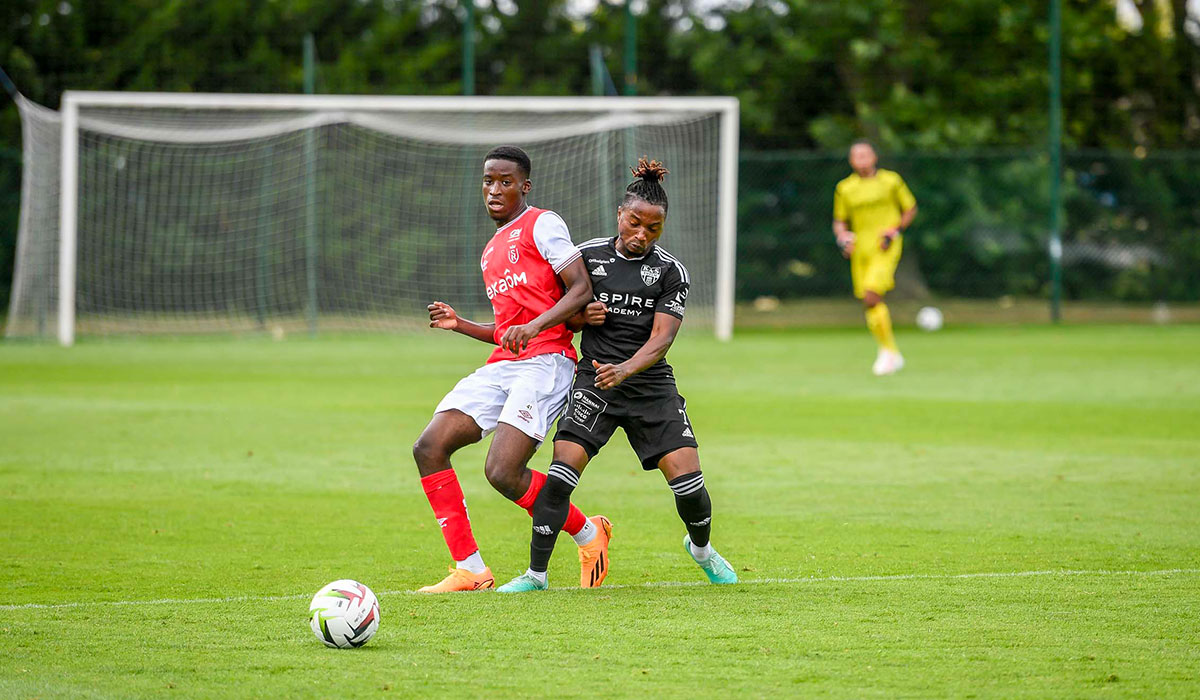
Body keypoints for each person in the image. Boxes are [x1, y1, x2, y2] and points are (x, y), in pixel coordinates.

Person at [496, 158, 737, 593]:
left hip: (649, 386)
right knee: (559, 478)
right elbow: (563, 316)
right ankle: (535, 576)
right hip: (595, 383)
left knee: (689, 485)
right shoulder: (587, 257)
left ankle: (701, 550)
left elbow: (662, 339)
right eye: (634, 223)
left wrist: (625, 369)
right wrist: (580, 318)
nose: (642, 234)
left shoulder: (671, 272)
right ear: (620, 214)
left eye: (653, 228)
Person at [413, 145, 612, 593]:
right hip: (505, 364)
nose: (495, 190)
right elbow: (507, 332)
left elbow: (580, 289)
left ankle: (587, 532)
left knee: (502, 472)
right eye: (488, 181)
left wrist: (536, 325)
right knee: (429, 447)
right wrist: (461, 324)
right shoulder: (490, 252)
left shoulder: (543, 223)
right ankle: (470, 569)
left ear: (525, 186)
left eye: (505, 182)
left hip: (547, 363)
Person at [832, 140, 918, 376]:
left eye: (865, 154)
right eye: (857, 156)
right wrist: (842, 237)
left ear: (874, 157)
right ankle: (889, 351)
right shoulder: (845, 188)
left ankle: (889, 353)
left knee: (872, 295)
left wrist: (895, 230)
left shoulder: (891, 181)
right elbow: (840, 221)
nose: (862, 159)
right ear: (851, 161)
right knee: (868, 301)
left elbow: (910, 208)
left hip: (884, 246)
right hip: (861, 249)